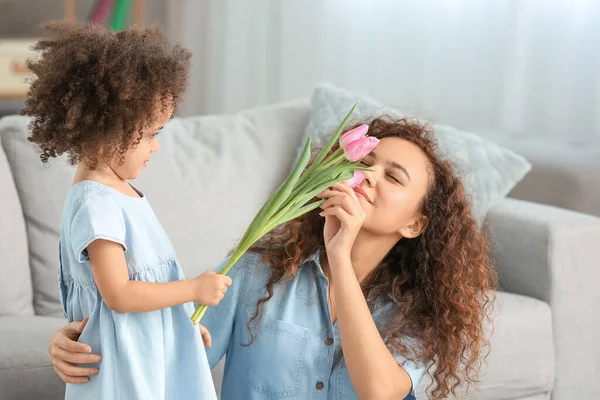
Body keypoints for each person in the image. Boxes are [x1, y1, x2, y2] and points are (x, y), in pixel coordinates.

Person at [49, 116, 498, 399]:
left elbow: (380, 393)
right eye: (366, 161)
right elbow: (169, 356)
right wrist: (80, 344)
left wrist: (340, 259)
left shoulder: (420, 309)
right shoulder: (257, 271)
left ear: (415, 224)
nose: (367, 176)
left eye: (393, 176)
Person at [24, 21, 231, 400]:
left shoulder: (120, 193)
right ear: (108, 130)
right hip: (126, 367)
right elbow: (119, 293)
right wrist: (193, 290)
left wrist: (178, 324)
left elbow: (144, 283)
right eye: (151, 133)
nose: (155, 147)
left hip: (148, 353)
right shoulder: (95, 201)